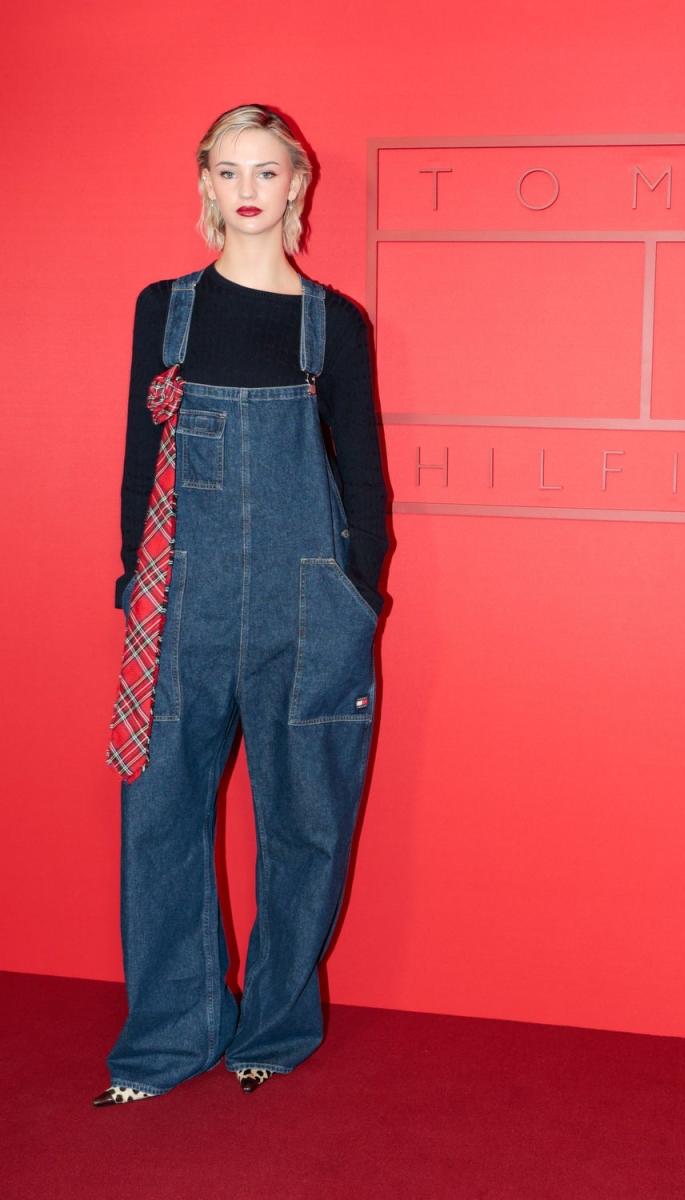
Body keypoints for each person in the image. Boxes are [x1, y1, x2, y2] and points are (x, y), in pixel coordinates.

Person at [95, 104, 389, 1106]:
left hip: (309, 608)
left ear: (297, 185)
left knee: (305, 821)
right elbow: (144, 457)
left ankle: (274, 1027)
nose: (249, 187)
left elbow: (367, 479)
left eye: (268, 169)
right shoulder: (164, 310)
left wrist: (361, 597)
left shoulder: (330, 322)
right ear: (207, 187)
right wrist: (135, 578)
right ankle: (171, 1037)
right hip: (180, 596)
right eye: (229, 170)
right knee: (161, 818)